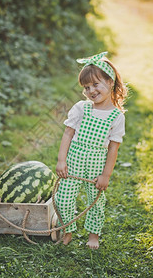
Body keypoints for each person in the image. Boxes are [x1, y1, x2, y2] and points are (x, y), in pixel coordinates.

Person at [55, 51, 127, 249]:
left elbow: (113, 149)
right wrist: (62, 160)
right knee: (64, 198)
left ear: (110, 82)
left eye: (96, 84)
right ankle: (67, 230)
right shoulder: (81, 108)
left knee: (95, 201)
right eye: (86, 87)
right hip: (75, 159)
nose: (91, 90)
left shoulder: (116, 117)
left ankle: (93, 235)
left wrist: (106, 175)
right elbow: (68, 134)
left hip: (97, 163)